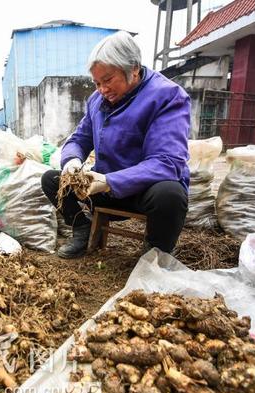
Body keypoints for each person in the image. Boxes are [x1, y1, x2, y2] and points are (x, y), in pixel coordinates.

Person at [41, 31, 190, 259]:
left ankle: (156, 254)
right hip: (104, 187)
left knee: (170, 194)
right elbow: (79, 139)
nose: (102, 89)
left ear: (134, 69)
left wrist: (110, 181)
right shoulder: (97, 101)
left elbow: (167, 162)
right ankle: (82, 229)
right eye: (97, 82)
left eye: (108, 80)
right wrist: (72, 160)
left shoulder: (167, 97)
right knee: (52, 179)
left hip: (143, 192)